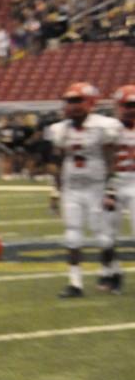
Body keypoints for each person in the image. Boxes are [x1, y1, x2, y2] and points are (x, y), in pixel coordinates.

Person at [45, 82, 121, 297]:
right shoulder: (59, 130)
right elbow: (56, 162)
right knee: (72, 235)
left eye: (77, 101)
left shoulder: (103, 127)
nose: (71, 106)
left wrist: (111, 189)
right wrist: (55, 191)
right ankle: (75, 283)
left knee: (104, 237)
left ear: (90, 103)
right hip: (72, 188)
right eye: (69, 101)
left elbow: (110, 159)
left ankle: (110, 272)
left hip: (96, 188)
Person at [104, 84, 135, 293]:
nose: (131, 109)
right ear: (118, 106)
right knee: (107, 236)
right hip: (115, 184)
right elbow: (104, 162)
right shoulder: (109, 129)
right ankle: (114, 274)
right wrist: (108, 189)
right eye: (127, 105)